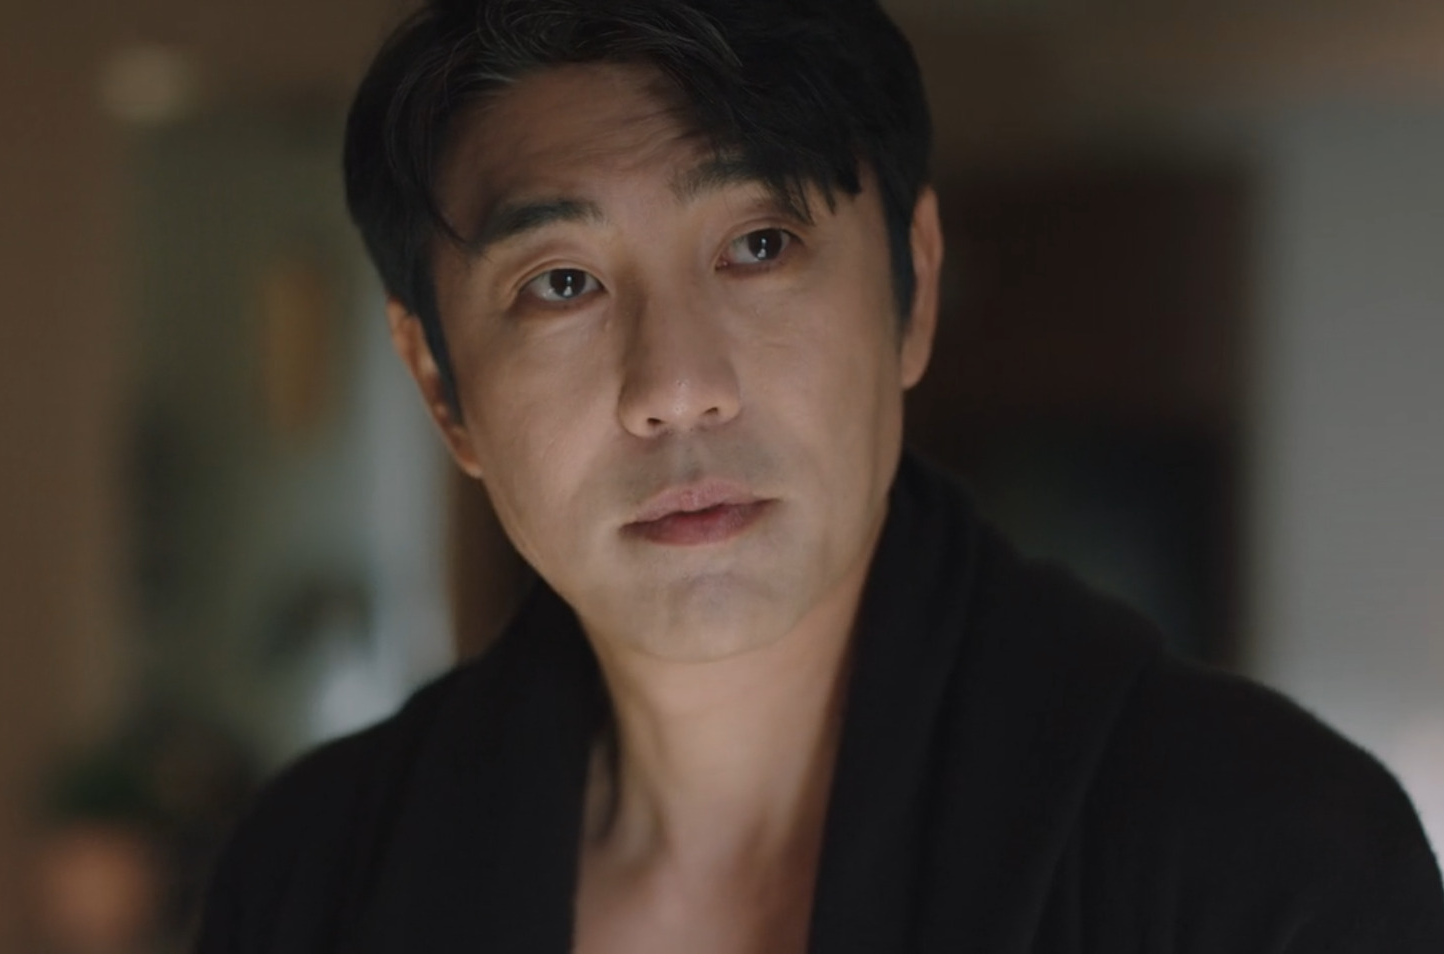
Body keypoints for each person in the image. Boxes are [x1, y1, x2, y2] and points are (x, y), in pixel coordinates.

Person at [195, 1, 1444, 951]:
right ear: (440, 386)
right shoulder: (314, 880)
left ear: (912, 287)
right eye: (561, 282)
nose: (676, 385)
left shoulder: (1264, 860)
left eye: (758, 243)